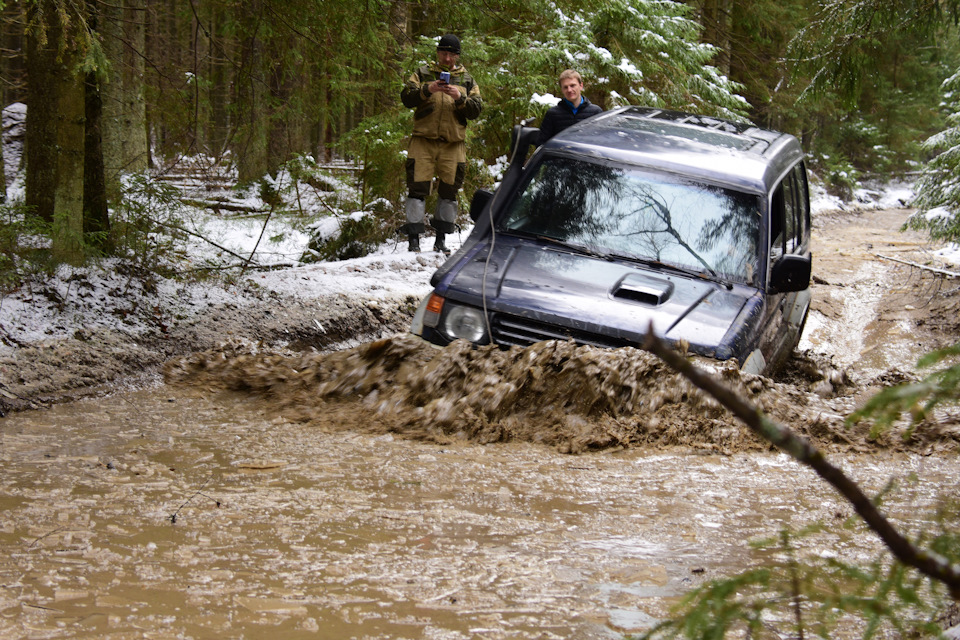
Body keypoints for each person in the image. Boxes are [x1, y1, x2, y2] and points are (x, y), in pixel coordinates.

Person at [400, 34, 483, 254]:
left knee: (449, 191)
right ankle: (414, 240)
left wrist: (460, 98)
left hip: (453, 144)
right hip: (422, 141)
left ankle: (440, 240)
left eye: (451, 54)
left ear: (457, 56)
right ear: (438, 53)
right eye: (443, 53)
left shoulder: (467, 80)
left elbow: (476, 110)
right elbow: (406, 98)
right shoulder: (422, 73)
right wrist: (428, 90)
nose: (447, 58)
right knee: (417, 189)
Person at [537, 69, 603, 146]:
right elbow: (542, 144)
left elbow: (601, 142)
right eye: (565, 87)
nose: (569, 90)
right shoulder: (553, 114)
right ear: (561, 89)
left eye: (572, 85)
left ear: (581, 86)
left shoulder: (595, 112)